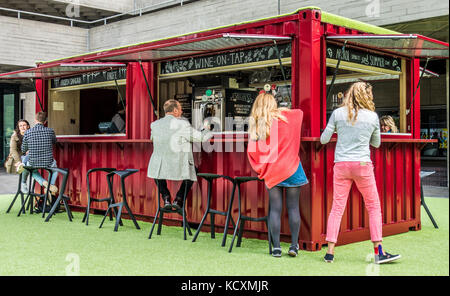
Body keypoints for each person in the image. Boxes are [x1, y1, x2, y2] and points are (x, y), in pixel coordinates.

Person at [320, 82, 401, 264]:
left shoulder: (337, 114)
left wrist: (339, 132)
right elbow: (377, 144)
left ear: (349, 94)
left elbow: (324, 139)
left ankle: (330, 253)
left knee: (337, 208)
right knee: (373, 207)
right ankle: (379, 252)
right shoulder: (372, 117)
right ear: (367, 96)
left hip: (341, 164)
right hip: (363, 165)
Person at [247, 92, 308, 258]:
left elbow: (252, 154)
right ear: (273, 103)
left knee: (275, 209)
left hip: (273, 172)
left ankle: (276, 248)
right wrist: (281, 109)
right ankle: (294, 246)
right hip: (292, 169)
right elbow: (300, 112)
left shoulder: (256, 126)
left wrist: (262, 170)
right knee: (293, 208)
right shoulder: (287, 118)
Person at [147, 99, 213, 210]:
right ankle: (179, 199)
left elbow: (152, 139)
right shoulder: (182, 124)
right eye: (181, 109)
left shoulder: (155, 125)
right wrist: (207, 128)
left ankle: (166, 197)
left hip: (160, 166)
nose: (182, 112)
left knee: (155, 173)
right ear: (175, 110)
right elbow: (202, 137)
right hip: (179, 165)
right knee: (193, 171)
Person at [18, 112, 59, 196]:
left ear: (35, 120)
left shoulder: (28, 132)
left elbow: (23, 149)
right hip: (48, 162)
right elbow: (54, 142)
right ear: (45, 121)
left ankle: (43, 182)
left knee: (31, 170)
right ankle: (50, 187)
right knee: (55, 170)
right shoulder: (50, 131)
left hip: (33, 162)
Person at [7, 120, 30, 191]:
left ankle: (43, 183)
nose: (23, 127)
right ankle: (24, 184)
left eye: (24, 125)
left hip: (29, 157)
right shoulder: (14, 136)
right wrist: (19, 161)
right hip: (18, 158)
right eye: (21, 126)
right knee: (26, 165)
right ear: (18, 127)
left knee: (30, 165)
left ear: (28, 126)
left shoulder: (31, 134)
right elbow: (13, 150)